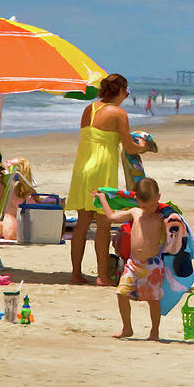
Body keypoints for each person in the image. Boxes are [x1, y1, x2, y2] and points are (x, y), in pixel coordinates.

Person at [69, 74, 149, 285]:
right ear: (121, 91)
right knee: (104, 222)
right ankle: (102, 276)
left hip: (82, 167)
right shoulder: (118, 113)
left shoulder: (89, 110)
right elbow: (129, 147)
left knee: (82, 222)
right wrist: (144, 146)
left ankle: (76, 274)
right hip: (102, 167)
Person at [93, 178, 165, 341]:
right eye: (143, 205)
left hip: (153, 266)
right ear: (137, 200)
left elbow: (175, 234)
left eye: (151, 205)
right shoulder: (135, 212)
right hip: (133, 264)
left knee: (152, 299)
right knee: (121, 293)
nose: (147, 209)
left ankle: (154, 332)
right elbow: (111, 217)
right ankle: (127, 328)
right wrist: (103, 199)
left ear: (158, 197)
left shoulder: (161, 217)